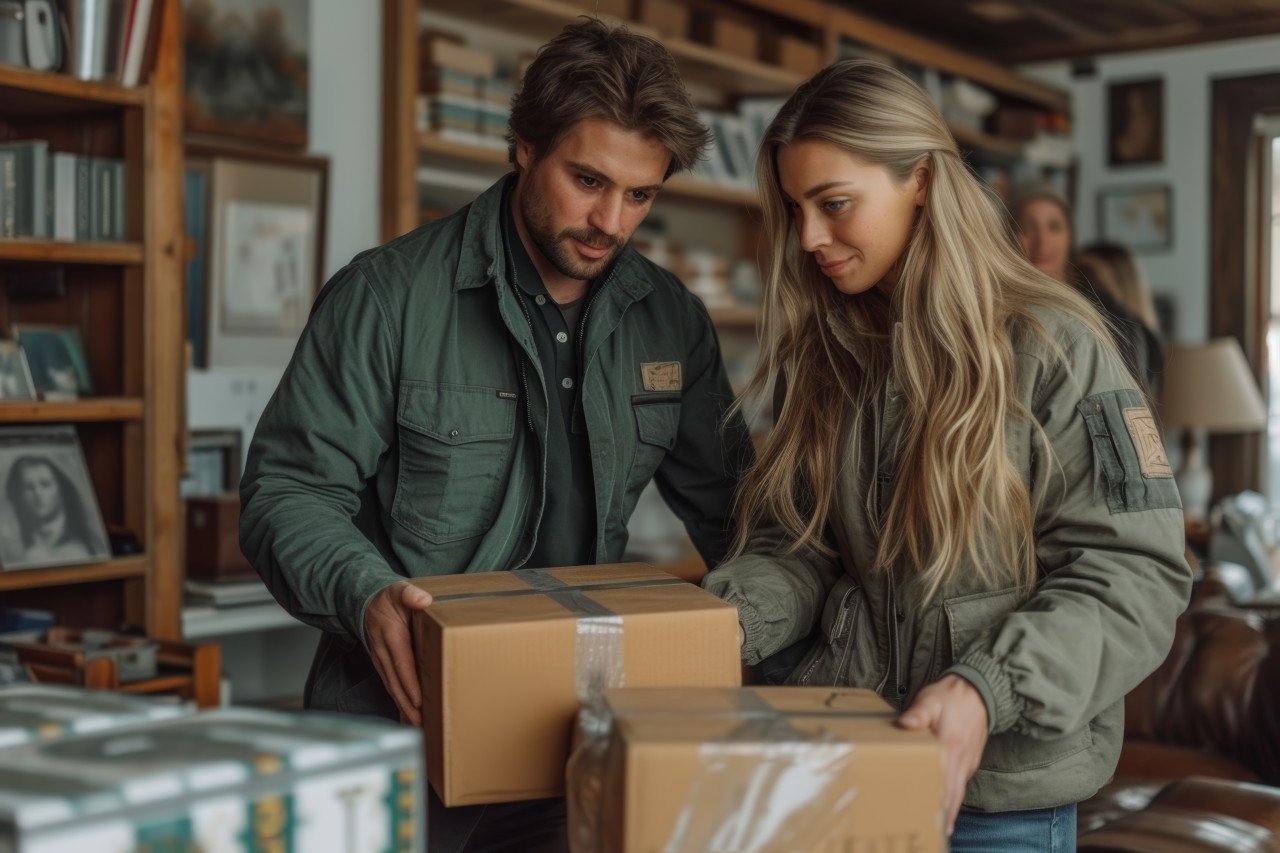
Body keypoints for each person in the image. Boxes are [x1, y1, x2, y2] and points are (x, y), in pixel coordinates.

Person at [239, 17, 752, 852]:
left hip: (575, 741)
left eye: (641, 195)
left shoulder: (671, 321)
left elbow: (740, 511)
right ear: (523, 145)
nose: (611, 221)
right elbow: (288, 492)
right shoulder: (387, 297)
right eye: (587, 179)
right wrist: (366, 589)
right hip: (393, 734)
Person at [700, 61, 1190, 851]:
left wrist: (983, 689)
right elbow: (796, 547)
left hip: (1000, 802)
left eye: (834, 204)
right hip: (837, 761)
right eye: (795, 209)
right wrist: (727, 622)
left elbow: (1136, 574)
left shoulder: (1057, 349)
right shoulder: (826, 357)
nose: (809, 238)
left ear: (921, 180)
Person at [1009, 182, 1163, 394]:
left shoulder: (1095, 298)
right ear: (1008, 236)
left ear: (1070, 236)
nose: (1042, 240)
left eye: (1054, 227)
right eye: (1027, 228)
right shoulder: (1000, 304)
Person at [5, 455, 106, 566]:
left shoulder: (87, 545)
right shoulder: (15, 544)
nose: (38, 494)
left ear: (61, 489)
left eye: (45, 484)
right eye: (29, 487)